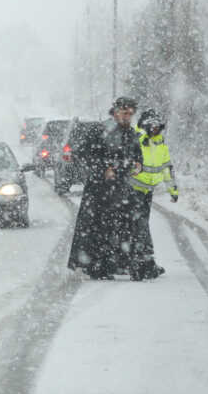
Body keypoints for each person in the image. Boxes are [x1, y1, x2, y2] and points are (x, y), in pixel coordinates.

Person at [68, 96, 144, 279]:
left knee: (125, 225)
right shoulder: (99, 130)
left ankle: (121, 262)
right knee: (98, 228)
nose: (128, 117)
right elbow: (81, 154)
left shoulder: (131, 133)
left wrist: (138, 164)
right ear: (116, 112)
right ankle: (97, 265)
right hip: (99, 189)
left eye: (131, 114)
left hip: (121, 187)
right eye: (125, 113)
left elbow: (137, 154)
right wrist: (103, 169)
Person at [128, 108, 179, 280]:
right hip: (132, 190)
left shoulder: (161, 144)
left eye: (158, 126)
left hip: (147, 192)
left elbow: (166, 169)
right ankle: (140, 265)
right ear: (145, 126)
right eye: (152, 126)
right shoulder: (138, 139)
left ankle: (145, 263)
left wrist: (173, 190)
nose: (155, 129)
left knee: (141, 226)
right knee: (139, 227)